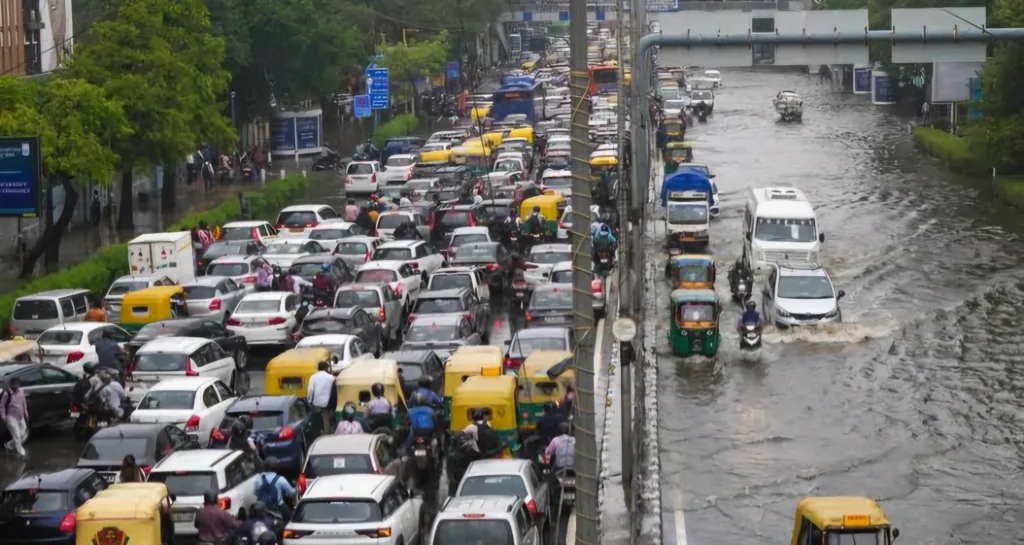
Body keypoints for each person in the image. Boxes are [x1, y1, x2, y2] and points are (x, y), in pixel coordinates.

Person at [1, 377, 28, 458]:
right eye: (14, 384)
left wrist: (26, 413)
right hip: (11, 417)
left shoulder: (21, 391)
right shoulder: (7, 394)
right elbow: (1, 406)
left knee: (23, 433)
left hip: (20, 416)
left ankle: (9, 445)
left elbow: (24, 403)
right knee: (17, 436)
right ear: (11, 385)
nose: (16, 386)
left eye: (17, 384)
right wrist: (3, 416)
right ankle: (22, 454)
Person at [306, 361, 336, 436]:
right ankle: (326, 435)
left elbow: (310, 391)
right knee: (327, 421)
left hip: (316, 403)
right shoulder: (331, 378)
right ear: (326, 368)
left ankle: (318, 434)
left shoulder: (313, 377)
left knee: (318, 420)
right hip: (328, 403)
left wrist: (309, 401)